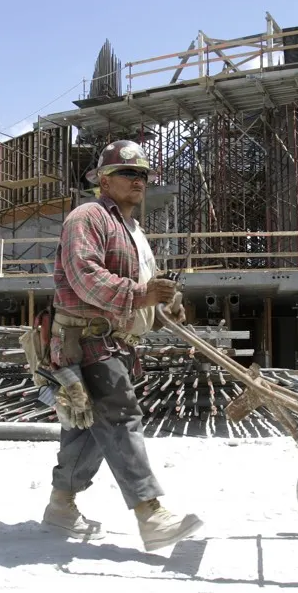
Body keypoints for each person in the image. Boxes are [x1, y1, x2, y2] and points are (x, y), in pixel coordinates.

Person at [41, 139, 203, 552]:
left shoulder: (132, 230)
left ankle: (61, 506)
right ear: (104, 180)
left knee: (88, 431)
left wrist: (168, 300)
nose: (139, 181)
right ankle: (151, 514)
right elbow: (84, 275)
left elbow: (146, 280)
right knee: (120, 417)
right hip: (87, 339)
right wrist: (140, 295)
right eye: (129, 173)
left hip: (110, 340)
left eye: (143, 175)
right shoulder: (87, 217)